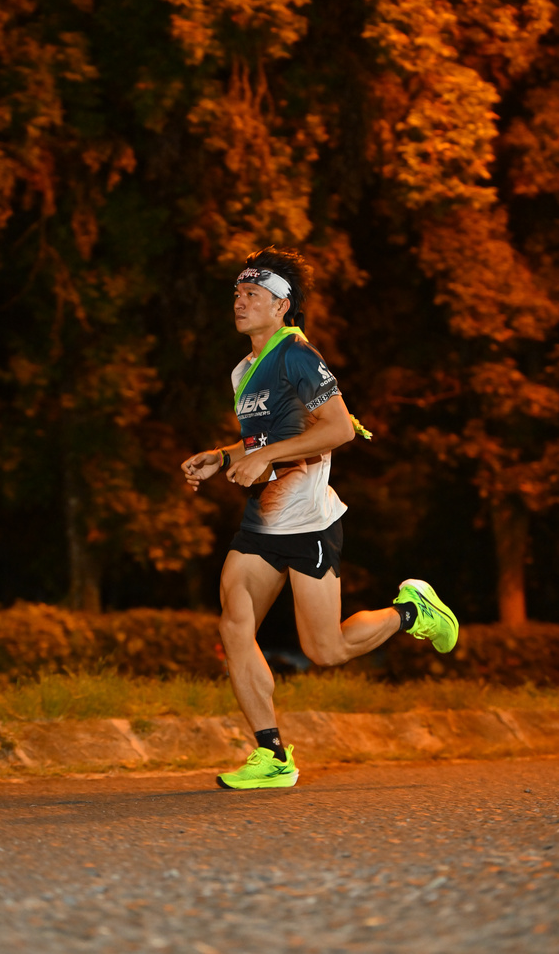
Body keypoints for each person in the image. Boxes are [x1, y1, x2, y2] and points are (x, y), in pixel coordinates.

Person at [181, 246, 458, 790]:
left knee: (325, 650)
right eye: (237, 293)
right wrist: (223, 456)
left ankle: (411, 611)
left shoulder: (297, 355)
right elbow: (267, 440)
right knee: (234, 624)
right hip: (262, 521)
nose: (240, 302)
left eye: (252, 293)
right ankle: (271, 755)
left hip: (307, 520)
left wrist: (263, 456)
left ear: (281, 305)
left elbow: (339, 429)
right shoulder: (244, 369)